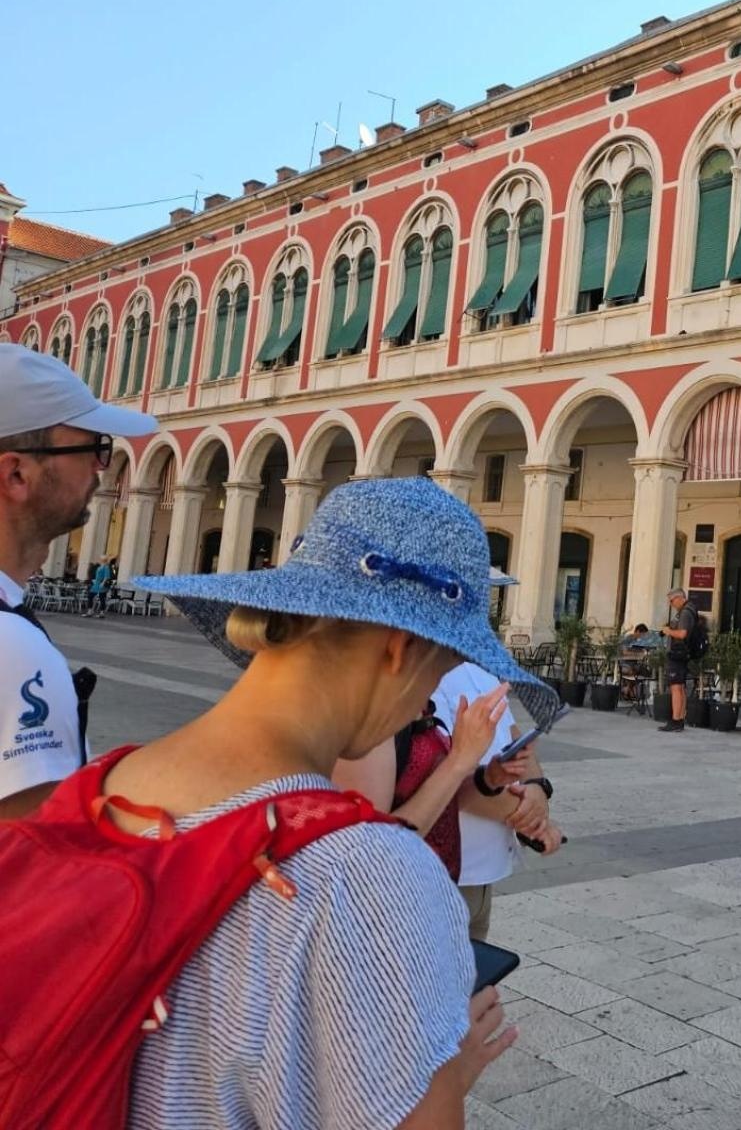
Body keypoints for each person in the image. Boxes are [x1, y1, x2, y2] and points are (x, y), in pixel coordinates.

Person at [72, 477, 532, 1127]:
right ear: (399, 649)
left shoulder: (99, 783)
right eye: (441, 670)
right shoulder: (367, 873)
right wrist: (446, 1076)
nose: (426, 702)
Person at [0, 342, 155, 819]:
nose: (100, 468)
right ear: (16, 474)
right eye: (93, 448)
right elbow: (35, 847)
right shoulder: (13, 650)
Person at [331, 684, 515, 882]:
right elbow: (372, 848)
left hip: (434, 888)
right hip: (396, 893)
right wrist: (458, 759)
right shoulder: (370, 716)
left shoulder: (417, 702)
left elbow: (440, 804)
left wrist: (487, 780)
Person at [434, 661, 563, 938]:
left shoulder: (480, 671)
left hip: (484, 873)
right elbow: (443, 778)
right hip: (443, 875)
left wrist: (537, 787)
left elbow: (514, 737)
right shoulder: (427, 676)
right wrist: (531, 818)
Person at [658, 587, 696, 733]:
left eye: (672, 600)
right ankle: (679, 719)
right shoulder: (687, 610)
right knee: (679, 687)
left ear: (680, 598)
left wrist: (669, 631)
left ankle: (676, 720)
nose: (671, 604)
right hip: (681, 654)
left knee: (675, 687)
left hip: (678, 654)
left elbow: (682, 634)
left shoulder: (685, 612)